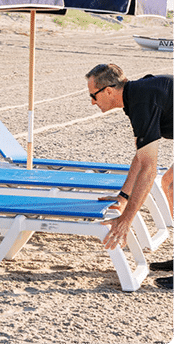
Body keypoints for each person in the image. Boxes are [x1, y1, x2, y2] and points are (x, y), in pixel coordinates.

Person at [85, 64, 174, 289]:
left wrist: (126, 221)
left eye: (93, 96)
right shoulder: (135, 97)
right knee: (170, 183)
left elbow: (149, 169)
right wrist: (123, 197)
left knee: (173, 185)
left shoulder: (142, 101)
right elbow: (141, 155)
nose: (92, 102)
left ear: (108, 90)